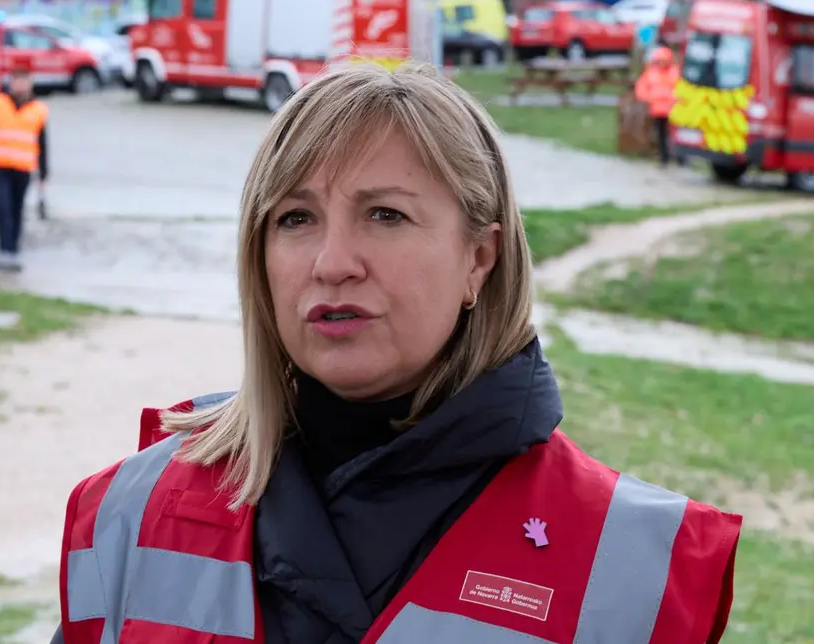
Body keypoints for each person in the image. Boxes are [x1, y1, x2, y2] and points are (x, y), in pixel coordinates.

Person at [50, 62, 742, 644]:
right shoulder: (128, 511)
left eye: (385, 215)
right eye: (295, 218)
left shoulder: (633, 565)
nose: (332, 261)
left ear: (479, 257)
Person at [0, 67, 49, 272]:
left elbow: (42, 143)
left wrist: (44, 172)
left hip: (23, 167)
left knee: (17, 209)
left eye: (24, 81)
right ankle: (4, 250)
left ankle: (14, 250)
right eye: (17, 81)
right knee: (3, 208)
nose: (20, 85)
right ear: (10, 83)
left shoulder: (38, 109)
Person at [635, 45, 684, 167]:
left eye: (664, 60)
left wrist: (675, 99)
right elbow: (641, 88)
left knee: (675, 135)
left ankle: (680, 158)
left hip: (673, 110)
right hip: (657, 110)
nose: (662, 63)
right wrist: (649, 98)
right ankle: (664, 158)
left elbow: (681, 89)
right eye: (660, 60)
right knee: (661, 135)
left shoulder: (675, 72)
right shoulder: (650, 72)